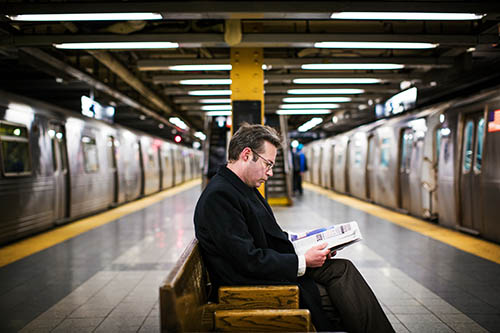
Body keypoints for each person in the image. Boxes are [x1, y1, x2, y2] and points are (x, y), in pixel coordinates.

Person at [194, 123, 393, 332]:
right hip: (249, 285)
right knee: (345, 298)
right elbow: (247, 260)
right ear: (246, 155)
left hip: (265, 270)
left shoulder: (241, 187)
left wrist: (309, 243)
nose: (269, 173)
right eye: (268, 164)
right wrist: (302, 261)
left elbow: (266, 236)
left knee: (343, 270)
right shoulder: (220, 196)